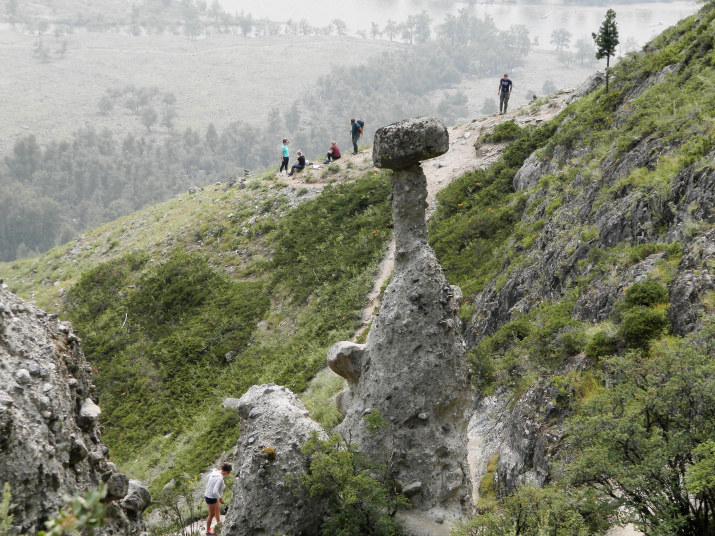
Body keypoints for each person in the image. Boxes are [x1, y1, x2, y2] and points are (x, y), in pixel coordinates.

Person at [205, 462, 232, 535]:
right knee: (211, 515)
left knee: (218, 509)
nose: (227, 474)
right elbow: (215, 491)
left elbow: (207, 478)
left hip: (210, 495)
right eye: (228, 472)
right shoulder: (219, 478)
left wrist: (210, 485)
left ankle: (218, 524)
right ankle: (208, 530)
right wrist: (220, 499)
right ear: (226, 471)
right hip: (211, 497)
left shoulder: (214, 472)